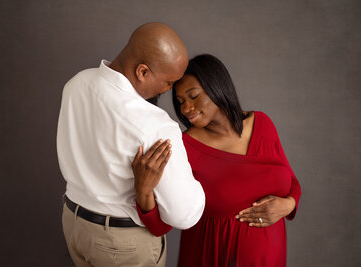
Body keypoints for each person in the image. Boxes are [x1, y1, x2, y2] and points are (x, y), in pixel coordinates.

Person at [56, 22, 205, 267]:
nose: (169, 90)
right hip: (120, 245)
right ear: (143, 72)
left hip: (74, 224)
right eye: (168, 82)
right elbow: (185, 214)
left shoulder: (76, 84)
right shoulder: (155, 125)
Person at [134, 54, 302, 266]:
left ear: (217, 87)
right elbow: (160, 227)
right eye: (180, 102)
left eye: (193, 96)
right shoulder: (183, 146)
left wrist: (288, 205)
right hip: (213, 256)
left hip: (270, 259)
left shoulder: (263, 123)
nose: (186, 109)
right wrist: (143, 190)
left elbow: (291, 181)